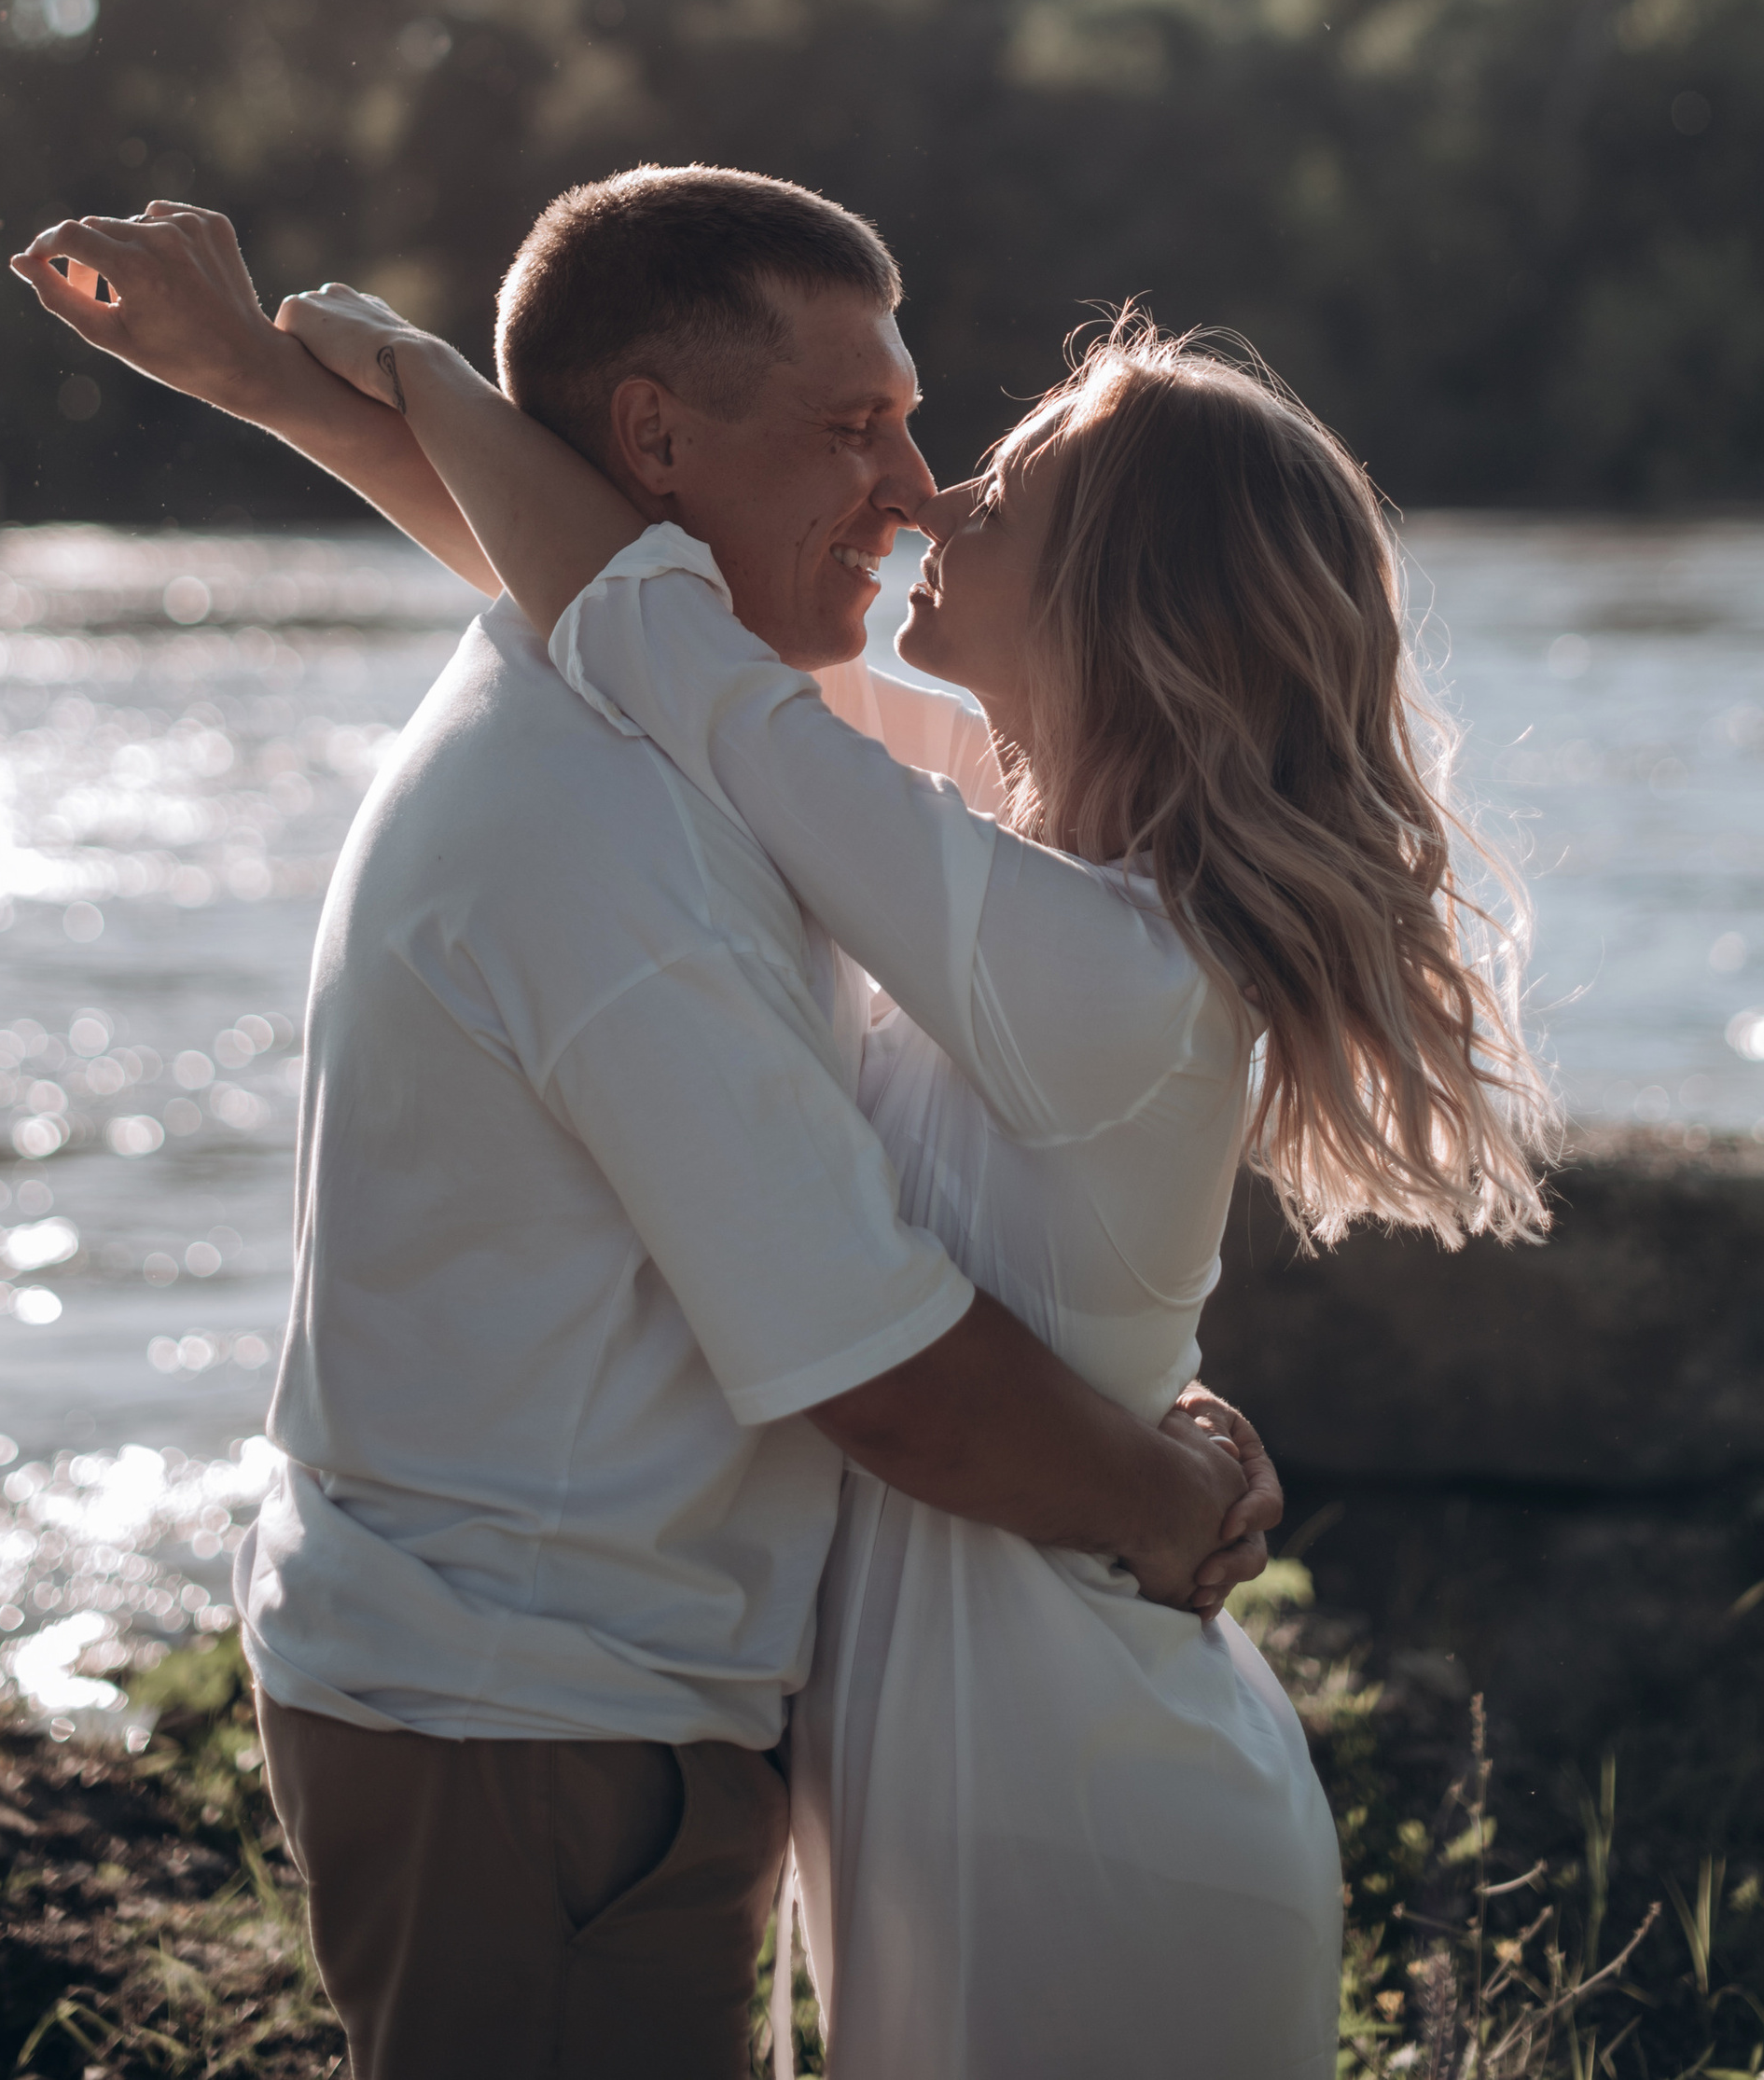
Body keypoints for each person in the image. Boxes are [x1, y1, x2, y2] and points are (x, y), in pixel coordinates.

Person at [11, 173, 1274, 2080]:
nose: (915, 490)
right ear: (658, 443)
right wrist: (1164, 1499)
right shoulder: (611, 839)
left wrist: (300, 395)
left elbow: (612, 594)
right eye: (853, 427)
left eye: (914, 425)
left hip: (569, 1702)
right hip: (527, 1723)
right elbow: (878, 1366)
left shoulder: (677, 711)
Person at [275, 275, 1558, 2080]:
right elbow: (629, 619)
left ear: (1114, 601)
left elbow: (668, 652)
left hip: (1077, 1811)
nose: (937, 501)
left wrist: (416, 371)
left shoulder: (1081, 957)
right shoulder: (1034, 866)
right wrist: (310, 402)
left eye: (1004, 494)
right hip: (993, 1774)